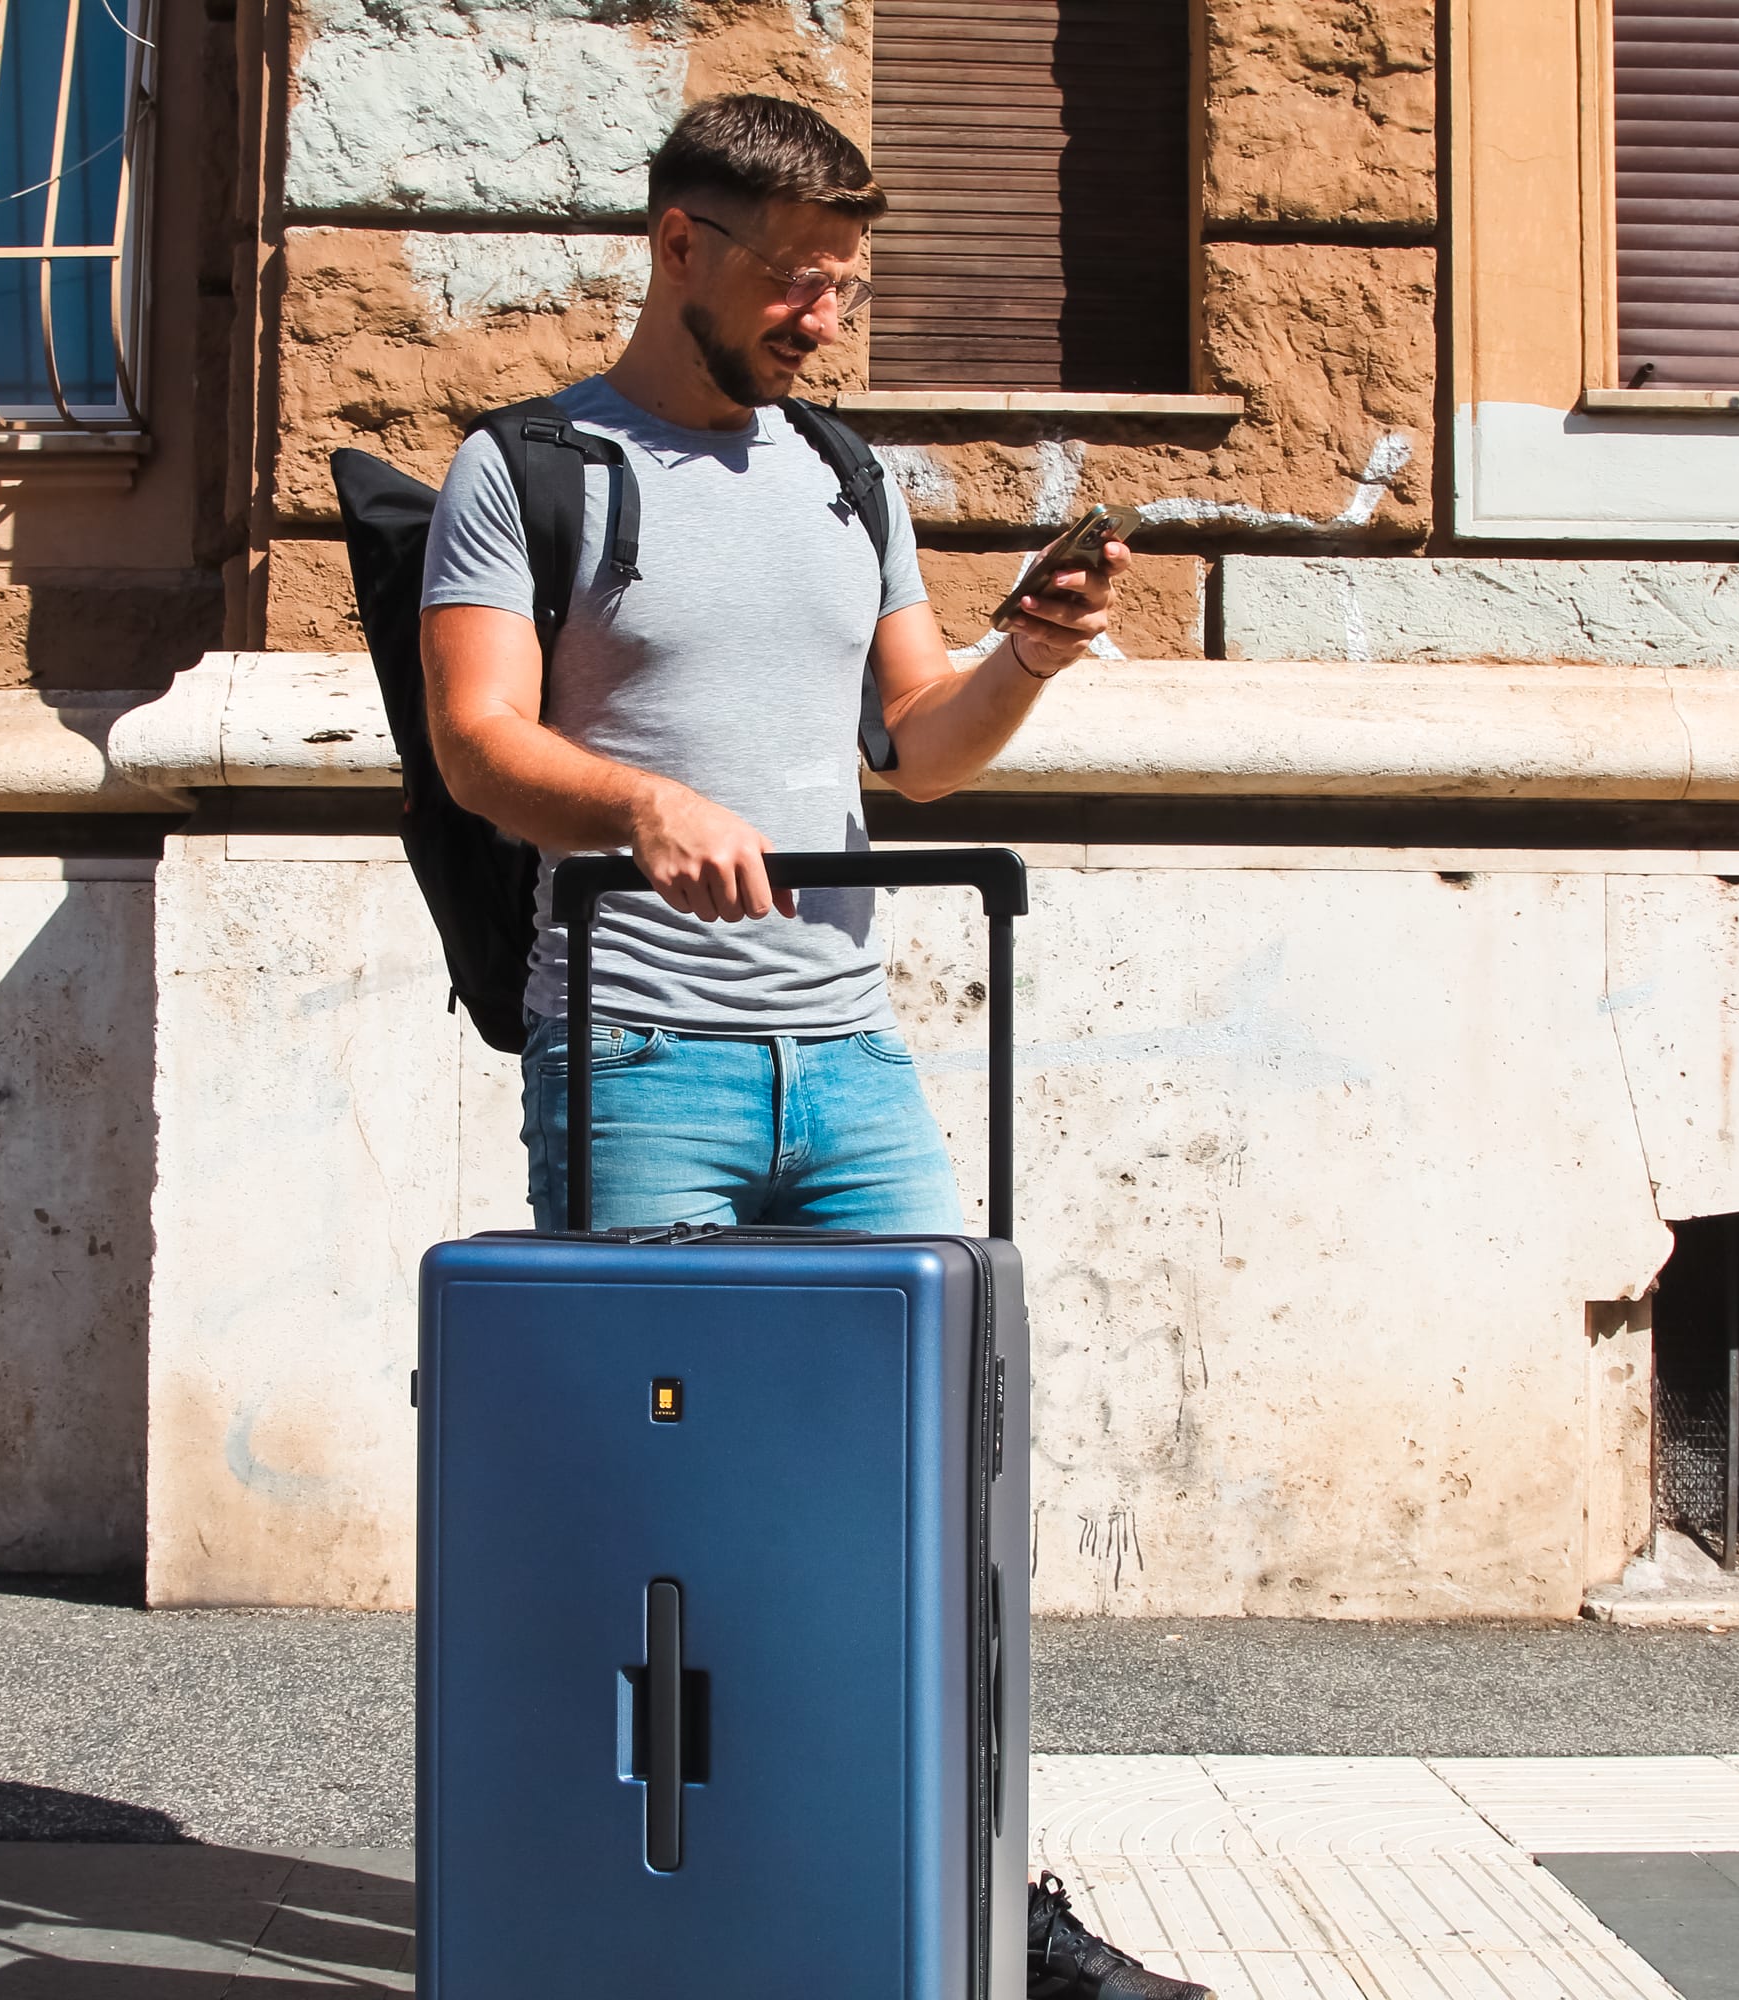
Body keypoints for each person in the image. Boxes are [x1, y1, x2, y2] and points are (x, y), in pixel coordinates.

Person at [420, 93, 1210, 2000]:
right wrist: (633, 806)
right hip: (639, 1063)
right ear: (680, 249)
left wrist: (1020, 657)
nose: (823, 318)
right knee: (652, 1520)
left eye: (845, 285)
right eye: (793, 281)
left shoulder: (849, 476)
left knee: (947, 1494)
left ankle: (980, 1903)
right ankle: (652, 1916)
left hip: (850, 1059)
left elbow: (906, 756)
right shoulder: (528, 468)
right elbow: (476, 743)